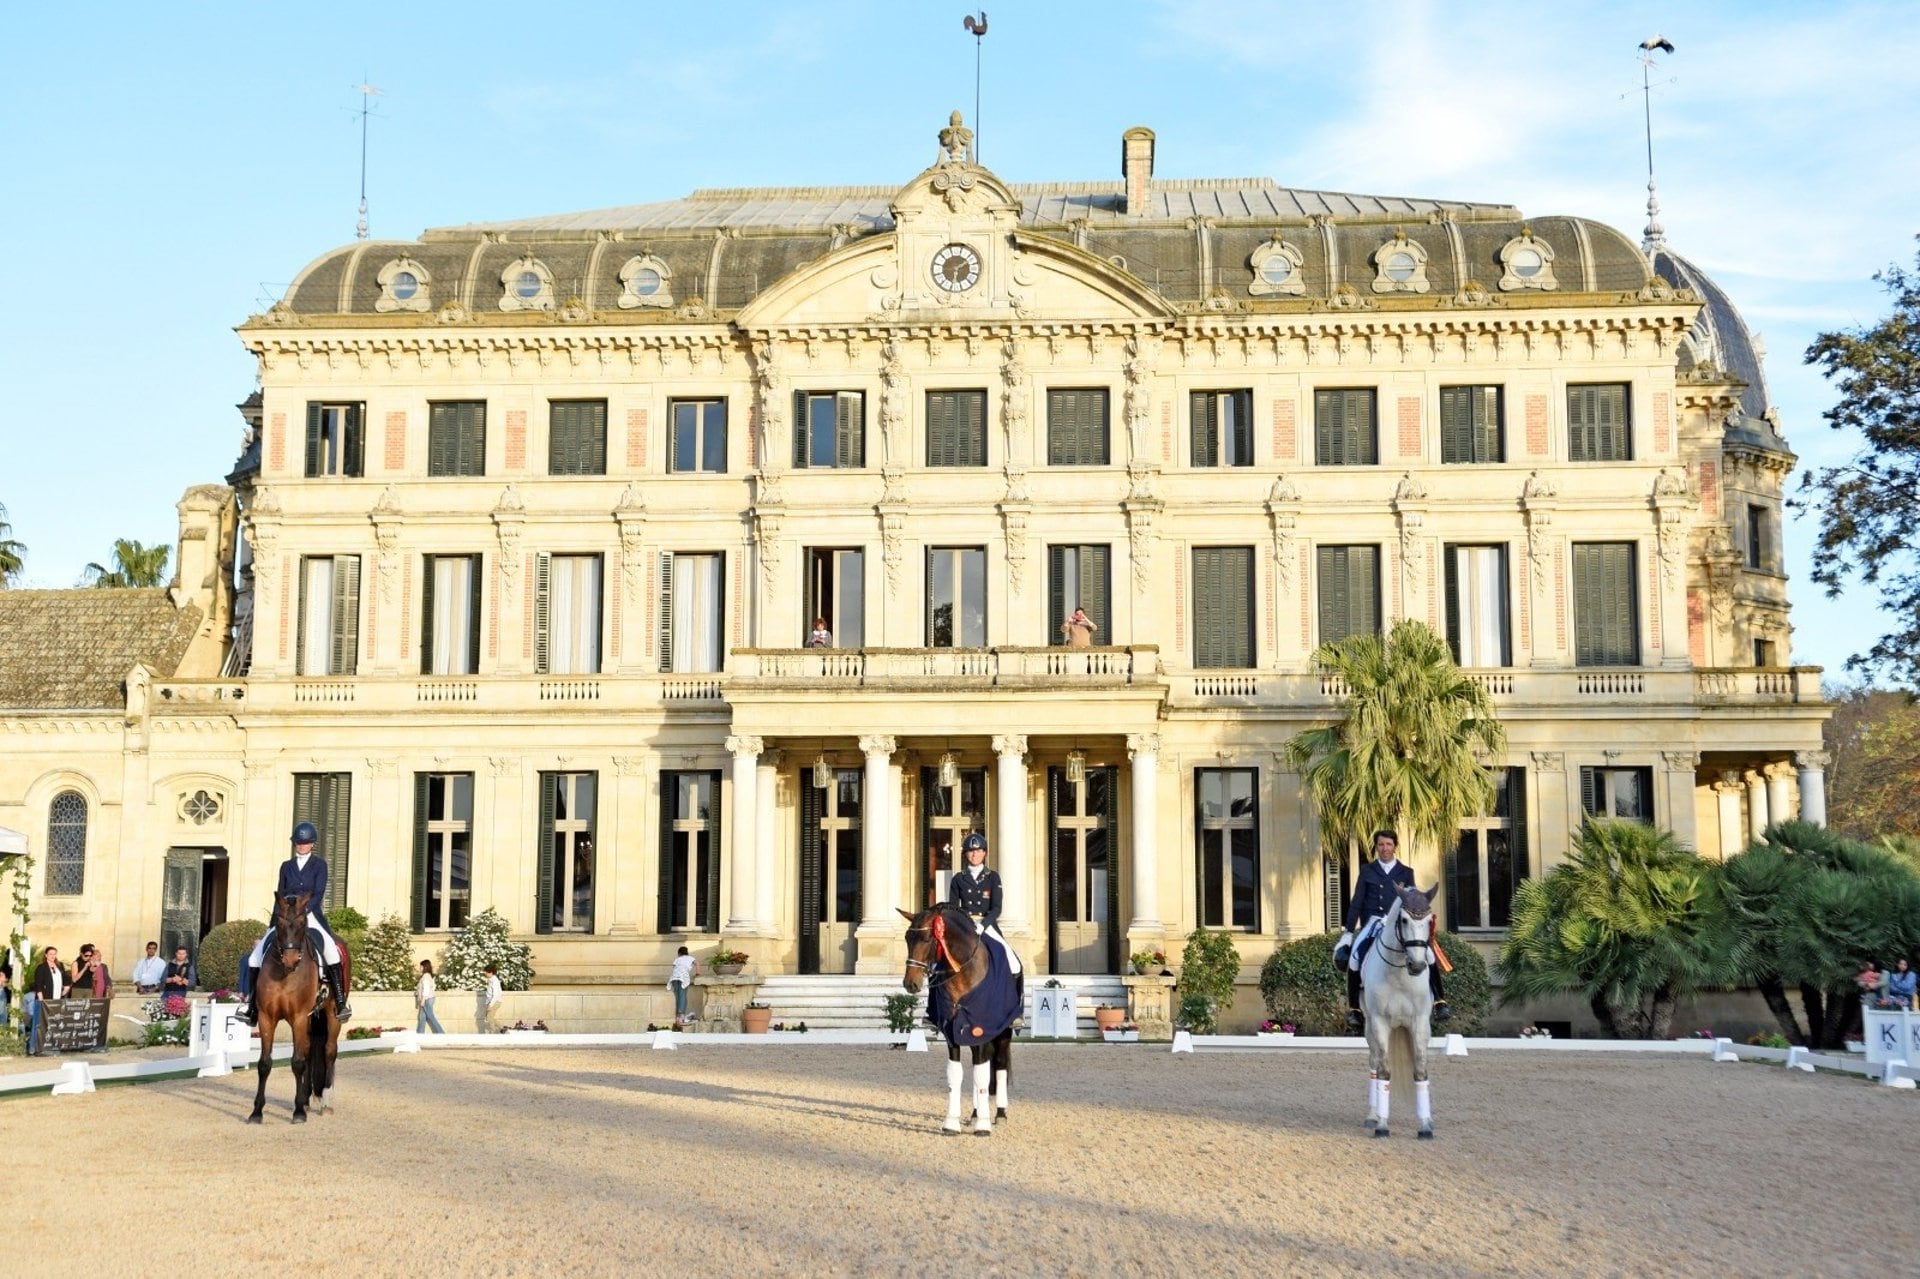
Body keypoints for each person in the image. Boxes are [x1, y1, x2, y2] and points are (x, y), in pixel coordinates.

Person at [236, 820, 352, 1025]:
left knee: (332, 952)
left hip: (309, 913)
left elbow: (318, 893)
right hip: (285, 916)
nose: (301, 845)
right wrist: (274, 922)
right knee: (254, 958)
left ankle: (340, 1001)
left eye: (305, 842)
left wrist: (302, 910)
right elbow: (279, 893)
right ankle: (251, 1005)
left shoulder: (319, 865)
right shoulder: (286, 866)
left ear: (312, 844)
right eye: (298, 842)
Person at [1332, 830, 1450, 1030]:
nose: (1384, 848)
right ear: (1376, 847)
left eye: (1388, 844)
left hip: (1399, 922)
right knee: (1354, 958)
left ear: (1394, 846)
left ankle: (1440, 1001)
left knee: (1428, 954)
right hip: (1374, 922)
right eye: (1380, 845)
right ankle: (1355, 1010)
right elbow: (1357, 902)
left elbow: (1413, 899)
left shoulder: (1406, 871)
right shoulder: (1367, 870)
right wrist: (1348, 933)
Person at [947, 832, 1023, 993]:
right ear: (965, 854)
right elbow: (953, 908)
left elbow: (997, 908)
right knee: (939, 961)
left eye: (979, 850)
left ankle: (1016, 1007)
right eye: (971, 851)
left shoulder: (993, 877)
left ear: (985, 853)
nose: (975, 854)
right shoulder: (958, 879)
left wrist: (982, 925)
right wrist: (964, 923)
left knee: (1014, 963)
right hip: (966, 925)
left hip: (986, 924)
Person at [27, 946, 68, 1056]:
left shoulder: (60, 966)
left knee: (53, 1024)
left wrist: (65, 989)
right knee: (38, 1024)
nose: (53, 956)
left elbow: (66, 979)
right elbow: (38, 984)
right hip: (44, 1001)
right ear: (46, 955)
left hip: (56, 1000)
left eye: (54, 953)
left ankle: (51, 1046)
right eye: (50, 954)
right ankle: (33, 1047)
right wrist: (41, 1000)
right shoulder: (42, 967)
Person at [414, 960, 445, 1035]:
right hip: (428, 999)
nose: (420, 968)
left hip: (427, 999)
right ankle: (420, 1034)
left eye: (421, 966)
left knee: (431, 1017)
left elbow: (426, 988)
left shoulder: (426, 976)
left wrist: (423, 1000)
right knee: (422, 1017)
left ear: (425, 967)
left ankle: (441, 1033)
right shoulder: (428, 976)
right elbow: (433, 987)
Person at [667, 945, 696, 1024]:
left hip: (674, 978)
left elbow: (674, 968)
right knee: (682, 996)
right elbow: (697, 964)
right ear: (687, 952)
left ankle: (677, 1016)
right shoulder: (690, 958)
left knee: (677, 996)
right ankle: (681, 1016)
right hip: (683, 978)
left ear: (679, 953)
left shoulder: (677, 959)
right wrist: (698, 973)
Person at [479, 963, 503, 1033]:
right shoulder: (491, 980)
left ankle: (493, 1032)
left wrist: (490, 1005)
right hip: (492, 1002)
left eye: (486, 972)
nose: (485, 973)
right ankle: (503, 1028)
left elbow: (495, 995)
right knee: (490, 1017)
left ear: (491, 972)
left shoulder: (495, 981)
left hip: (495, 1002)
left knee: (489, 1018)